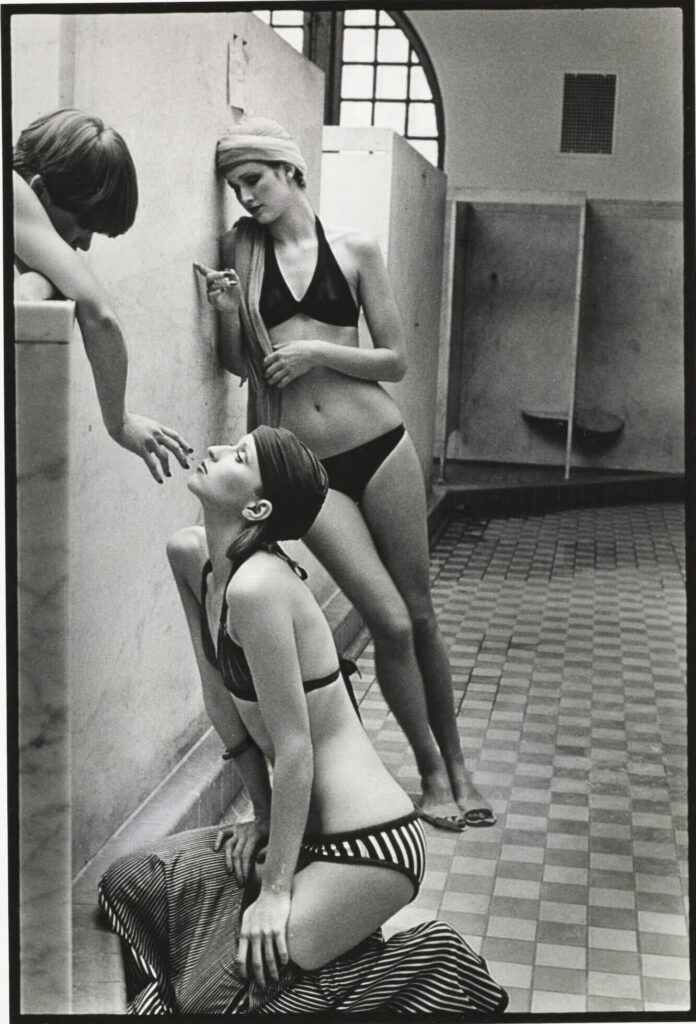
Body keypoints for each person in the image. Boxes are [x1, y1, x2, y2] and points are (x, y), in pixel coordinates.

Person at [98, 426, 507, 1015]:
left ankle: (430, 962)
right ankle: (333, 947)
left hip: (368, 845)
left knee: (213, 1005)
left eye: (237, 456)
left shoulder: (260, 587)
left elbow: (296, 751)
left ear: (258, 507)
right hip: (300, 830)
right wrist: (261, 816)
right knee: (132, 880)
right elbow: (220, 699)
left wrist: (276, 890)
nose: (213, 451)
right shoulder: (193, 557)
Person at [193, 116, 495, 830]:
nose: (246, 197)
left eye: (255, 180)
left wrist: (318, 354)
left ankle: (459, 766)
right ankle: (429, 772)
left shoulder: (354, 250)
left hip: (381, 443)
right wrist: (231, 314)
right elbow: (240, 366)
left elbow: (394, 359)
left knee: (420, 614)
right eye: (236, 187)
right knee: (387, 620)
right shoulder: (240, 251)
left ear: (291, 172)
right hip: (309, 471)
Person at [13, 109, 192, 483]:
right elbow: (98, 313)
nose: (85, 242)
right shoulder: (9, 189)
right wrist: (119, 422)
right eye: (83, 224)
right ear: (38, 190)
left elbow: (34, 291)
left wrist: (41, 281)